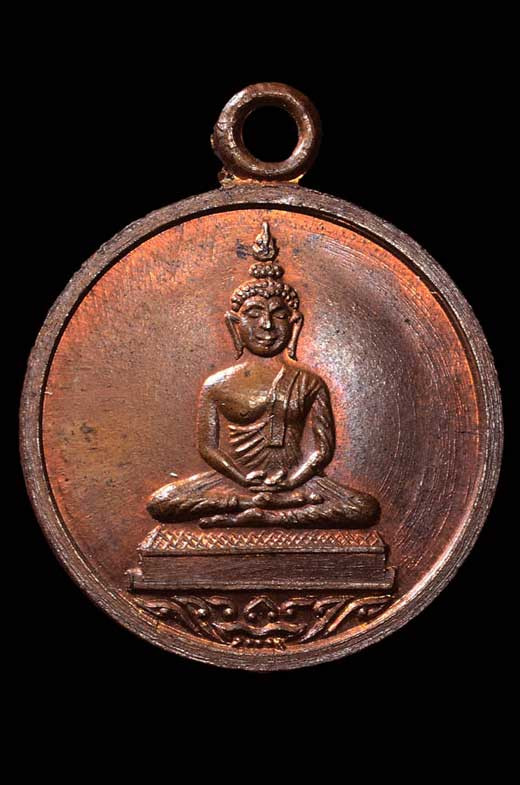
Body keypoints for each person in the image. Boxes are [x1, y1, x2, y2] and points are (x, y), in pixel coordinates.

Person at [147, 222, 380, 529]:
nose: (267, 326)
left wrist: (292, 480)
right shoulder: (217, 385)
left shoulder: (310, 383)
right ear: (234, 324)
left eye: (278, 315)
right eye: (254, 314)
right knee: (162, 503)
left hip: (296, 483)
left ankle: (267, 512)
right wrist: (241, 478)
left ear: (294, 323)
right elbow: (208, 448)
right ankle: (260, 507)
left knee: (363, 508)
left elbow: (322, 450)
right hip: (234, 482)